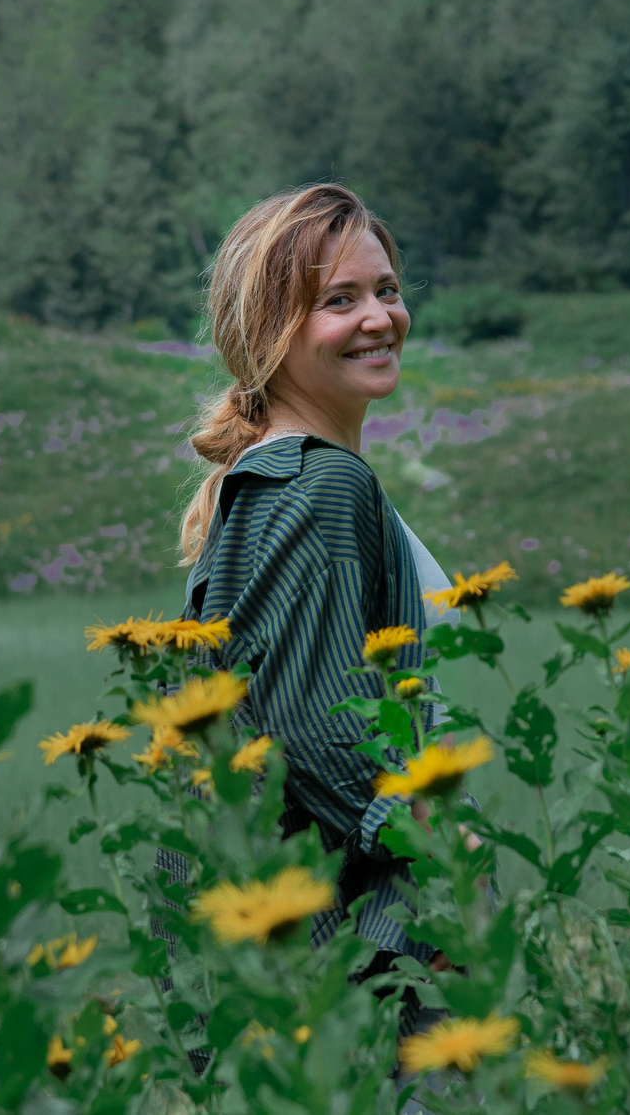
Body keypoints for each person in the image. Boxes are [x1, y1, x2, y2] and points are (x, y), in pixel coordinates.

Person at [174, 182, 457, 999]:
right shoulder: (320, 485)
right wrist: (437, 873)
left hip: (295, 947)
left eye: (386, 289)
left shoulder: (278, 477)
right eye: (340, 299)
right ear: (272, 331)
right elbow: (316, 724)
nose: (379, 317)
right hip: (357, 947)